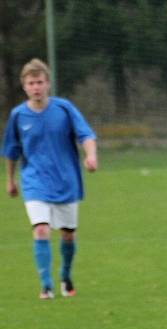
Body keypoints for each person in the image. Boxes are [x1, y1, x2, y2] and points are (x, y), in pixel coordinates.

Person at [3, 58, 98, 299]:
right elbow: (12, 151)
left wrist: (91, 156)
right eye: (31, 83)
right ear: (24, 86)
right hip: (34, 182)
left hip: (66, 181)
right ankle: (46, 284)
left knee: (68, 234)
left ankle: (65, 275)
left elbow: (86, 134)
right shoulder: (18, 115)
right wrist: (10, 180)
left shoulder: (64, 108)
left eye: (40, 82)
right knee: (42, 230)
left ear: (48, 84)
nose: (36, 87)